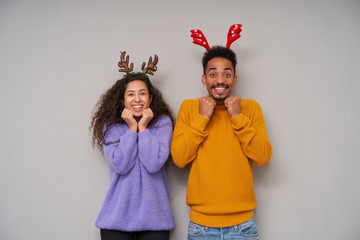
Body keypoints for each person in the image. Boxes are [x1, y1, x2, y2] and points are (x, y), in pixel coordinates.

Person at [171, 25, 272, 239]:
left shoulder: (250, 108)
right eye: (213, 73)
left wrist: (238, 118)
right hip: (201, 227)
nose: (220, 80)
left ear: (235, 78)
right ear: (204, 79)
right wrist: (202, 118)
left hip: (243, 226)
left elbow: (263, 157)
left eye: (227, 74)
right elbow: (179, 159)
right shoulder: (189, 108)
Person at [90, 52, 175, 240]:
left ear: (150, 98)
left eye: (142, 93)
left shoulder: (162, 123)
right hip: (116, 218)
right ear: (123, 100)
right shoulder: (111, 126)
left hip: (155, 219)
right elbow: (121, 165)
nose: (137, 99)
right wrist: (131, 129)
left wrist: (143, 128)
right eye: (131, 94)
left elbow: (153, 164)